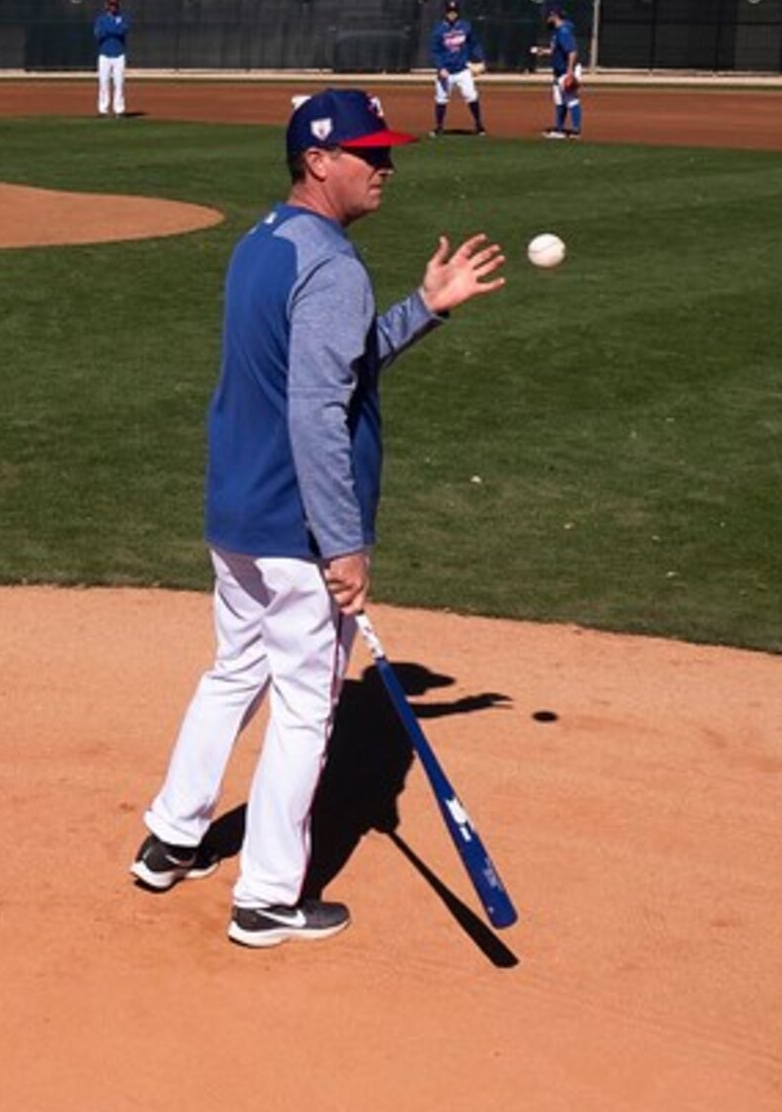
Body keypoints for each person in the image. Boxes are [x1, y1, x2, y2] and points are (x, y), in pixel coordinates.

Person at [131, 89, 503, 948]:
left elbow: (327, 366)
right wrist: (343, 544)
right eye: (369, 153)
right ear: (317, 161)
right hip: (297, 528)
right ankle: (266, 898)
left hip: (238, 511)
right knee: (306, 706)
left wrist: (425, 309)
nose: (387, 167)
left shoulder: (264, 243)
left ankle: (172, 839)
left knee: (234, 673)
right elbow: (315, 412)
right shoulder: (332, 267)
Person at [429, 0, 487, 136]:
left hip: (462, 69)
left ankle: (479, 125)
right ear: (445, 12)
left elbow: (474, 44)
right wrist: (440, 67)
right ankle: (439, 127)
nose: (452, 14)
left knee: (471, 96)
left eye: (454, 12)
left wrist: (481, 59)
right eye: (449, 11)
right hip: (446, 71)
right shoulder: (438, 30)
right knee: (441, 98)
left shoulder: (465, 27)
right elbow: (435, 51)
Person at [531, 5, 584, 139]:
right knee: (559, 100)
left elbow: (572, 52)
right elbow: (556, 51)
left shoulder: (563, 31)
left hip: (567, 69)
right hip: (560, 70)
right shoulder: (557, 31)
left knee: (571, 99)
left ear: (555, 16)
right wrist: (542, 51)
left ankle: (576, 130)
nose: (547, 18)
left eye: (549, 16)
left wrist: (570, 72)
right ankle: (559, 129)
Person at [93, 0, 131, 116]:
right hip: (104, 54)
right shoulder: (101, 19)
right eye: (110, 4)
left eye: (114, 4)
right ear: (107, 5)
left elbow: (123, 31)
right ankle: (103, 109)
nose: (112, 7)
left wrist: (109, 29)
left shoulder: (123, 18)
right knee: (103, 83)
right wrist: (114, 28)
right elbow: (99, 34)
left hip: (119, 54)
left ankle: (119, 110)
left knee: (119, 84)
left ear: (118, 5)